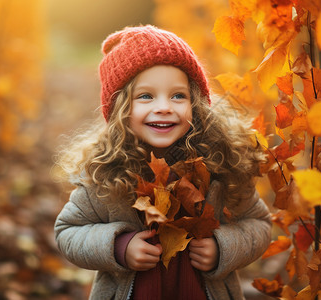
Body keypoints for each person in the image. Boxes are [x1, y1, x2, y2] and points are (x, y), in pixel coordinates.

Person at [54, 25, 271, 300]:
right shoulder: (107, 174)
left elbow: (258, 223)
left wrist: (223, 247)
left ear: (196, 103)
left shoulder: (220, 165)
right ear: (120, 108)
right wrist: (119, 246)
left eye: (178, 95)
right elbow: (68, 232)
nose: (164, 107)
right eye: (146, 96)